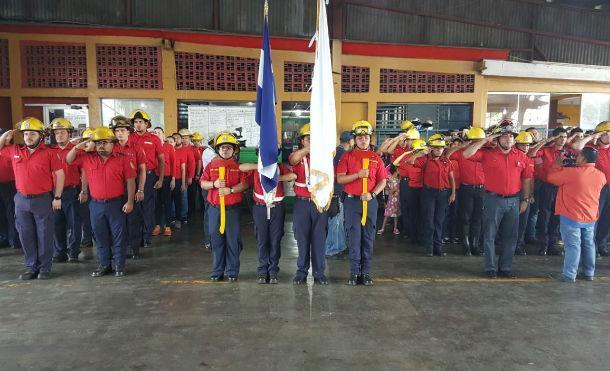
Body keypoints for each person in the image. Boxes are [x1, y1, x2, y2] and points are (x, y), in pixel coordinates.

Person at [463, 122, 533, 278]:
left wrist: (526, 199)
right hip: (493, 199)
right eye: (505, 136)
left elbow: (527, 179)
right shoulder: (488, 153)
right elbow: (466, 154)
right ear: (498, 138)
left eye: (511, 136)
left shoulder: (522, 156)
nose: (508, 139)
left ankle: (505, 268)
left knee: (511, 236)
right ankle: (490, 268)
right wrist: (486, 139)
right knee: (489, 235)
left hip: (514, 200)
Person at [0, 118, 65, 280]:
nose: (28, 137)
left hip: (42, 199)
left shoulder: (49, 152)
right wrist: (3, 138)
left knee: (44, 234)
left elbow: (60, 174)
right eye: (26, 133)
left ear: (41, 136)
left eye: (32, 134)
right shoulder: (14, 150)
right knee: (25, 234)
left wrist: (57, 197)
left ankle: (44, 268)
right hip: (21, 200)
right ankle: (31, 267)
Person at [66, 127, 135, 277]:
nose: (101, 146)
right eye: (97, 143)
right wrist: (80, 145)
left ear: (113, 144)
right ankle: (104, 265)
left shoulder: (123, 158)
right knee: (100, 236)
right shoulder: (87, 158)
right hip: (96, 204)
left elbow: (130, 181)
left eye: (105, 142)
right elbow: (68, 159)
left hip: (116, 204)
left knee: (118, 236)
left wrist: (130, 201)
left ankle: (119, 266)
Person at [337, 121, 388, 285]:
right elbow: (340, 179)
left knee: (368, 238)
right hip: (352, 202)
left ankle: (365, 273)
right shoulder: (347, 156)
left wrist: (373, 194)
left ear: (370, 138)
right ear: (354, 139)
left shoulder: (376, 158)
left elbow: (383, 181)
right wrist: (358, 175)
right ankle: (354, 272)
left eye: (366, 137)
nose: (363, 140)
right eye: (359, 137)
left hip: (370, 202)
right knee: (354, 238)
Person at [547, 147, 606, 282]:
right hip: (590, 215)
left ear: (583, 158)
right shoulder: (600, 175)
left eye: (578, 156)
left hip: (571, 215)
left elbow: (551, 178)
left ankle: (569, 274)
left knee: (572, 245)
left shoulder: (572, 173)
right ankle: (588, 272)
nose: (576, 158)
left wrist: (557, 165)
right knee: (589, 244)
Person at [200, 132, 249, 282]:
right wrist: (213, 184)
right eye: (222, 148)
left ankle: (232, 271)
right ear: (217, 149)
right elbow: (203, 183)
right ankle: (217, 271)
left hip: (232, 210)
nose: (225, 150)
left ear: (234, 150)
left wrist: (231, 190)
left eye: (228, 147)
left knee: (233, 240)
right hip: (215, 209)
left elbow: (245, 184)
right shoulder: (211, 166)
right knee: (216, 240)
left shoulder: (239, 167)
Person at [239, 156, 296, 284]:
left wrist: (276, 177)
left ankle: (273, 270)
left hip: (277, 208)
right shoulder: (256, 166)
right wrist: (260, 167)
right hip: (260, 208)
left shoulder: (279, 167)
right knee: (262, 240)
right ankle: (262, 270)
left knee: (275, 240)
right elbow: (241, 167)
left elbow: (293, 176)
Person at [290, 123, 329, 285]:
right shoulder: (298, 155)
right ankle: (302, 272)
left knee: (319, 239)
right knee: (302, 238)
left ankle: (319, 273)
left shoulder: (324, 156)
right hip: (302, 204)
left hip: (319, 203)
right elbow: (292, 160)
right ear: (302, 141)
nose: (311, 141)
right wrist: (308, 149)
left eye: (314, 138)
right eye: (308, 138)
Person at [528, 127, 576, 256]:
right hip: (546, 186)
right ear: (554, 137)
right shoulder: (546, 151)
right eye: (559, 136)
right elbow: (531, 153)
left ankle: (552, 245)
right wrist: (547, 141)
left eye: (565, 137)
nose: (562, 139)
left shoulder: (569, 152)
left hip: (561, 187)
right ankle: (542, 244)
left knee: (557, 216)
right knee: (544, 215)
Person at [408, 134, 456, 257]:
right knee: (429, 220)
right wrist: (421, 153)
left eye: (441, 148)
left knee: (439, 220)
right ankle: (429, 247)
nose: (439, 150)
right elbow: (410, 161)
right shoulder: (425, 160)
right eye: (436, 148)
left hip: (443, 193)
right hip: (428, 193)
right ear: (431, 148)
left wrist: (453, 193)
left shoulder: (446, 160)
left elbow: (451, 177)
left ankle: (438, 247)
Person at [570, 121, 610, 257]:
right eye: (607, 133)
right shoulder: (592, 149)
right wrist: (594, 135)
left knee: (607, 218)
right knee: (595, 217)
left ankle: (602, 244)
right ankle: (592, 248)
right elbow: (575, 146)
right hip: (598, 189)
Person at [110, 116, 147, 260]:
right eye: (117, 130)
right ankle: (120, 249)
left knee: (133, 221)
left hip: (132, 189)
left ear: (128, 132)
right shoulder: (110, 146)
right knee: (117, 223)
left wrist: (141, 189)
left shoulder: (136, 147)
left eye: (122, 130)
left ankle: (134, 249)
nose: (119, 133)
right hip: (114, 191)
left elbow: (142, 170)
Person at [446, 127, 486, 256]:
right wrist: (460, 146)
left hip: (481, 190)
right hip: (466, 189)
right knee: (465, 218)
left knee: (477, 219)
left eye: (478, 140)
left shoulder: (486, 152)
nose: (476, 142)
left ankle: (475, 245)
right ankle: (466, 245)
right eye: (473, 140)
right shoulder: (461, 152)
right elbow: (447, 156)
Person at [128, 110, 164, 248]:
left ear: (147, 123)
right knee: (134, 207)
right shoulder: (129, 137)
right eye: (136, 122)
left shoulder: (154, 139)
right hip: (132, 177)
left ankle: (146, 236)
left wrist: (160, 179)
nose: (138, 125)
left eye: (140, 122)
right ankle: (135, 236)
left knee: (148, 207)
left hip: (149, 177)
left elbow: (161, 160)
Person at [49, 118, 83, 263]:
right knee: (57, 223)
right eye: (56, 133)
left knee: (74, 223)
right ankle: (59, 252)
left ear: (69, 133)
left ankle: (73, 252)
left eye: (62, 132)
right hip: (54, 192)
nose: (59, 135)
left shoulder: (77, 150)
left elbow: (84, 171)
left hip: (72, 191)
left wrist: (84, 190)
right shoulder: (50, 151)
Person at [382, 121, 420, 240]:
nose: (411, 142)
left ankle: (414, 232)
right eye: (409, 140)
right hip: (403, 181)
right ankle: (407, 232)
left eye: (413, 140)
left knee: (416, 208)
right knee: (405, 208)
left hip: (418, 183)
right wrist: (398, 139)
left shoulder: (420, 149)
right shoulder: (401, 151)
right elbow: (388, 151)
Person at [325, 131, 353, 258]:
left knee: (339, 222)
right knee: (335, 223)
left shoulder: (336, 152)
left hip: (335, 192)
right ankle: (332, 250)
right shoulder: (343, 154)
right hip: (335, 193)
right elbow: (337, 175)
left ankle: (340, 246)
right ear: (350, 141)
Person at [513, 132, 536, 256]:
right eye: (523, 145)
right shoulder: (513, 157)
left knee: (523, 221)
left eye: (528, 145)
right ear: (516, 145)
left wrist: (530, 195)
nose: (526, 148)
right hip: (514, 192)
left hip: (525, 194)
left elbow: (530, 179)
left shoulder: (529, 159)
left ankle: (518, 245)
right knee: (512, 221)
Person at [152, 127, 175, 237]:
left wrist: (173, 178)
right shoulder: (151, 146)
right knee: (156, 203)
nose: (157, 134)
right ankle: (157, 225)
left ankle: (167, 226)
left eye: (159, 132)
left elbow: (173, 163)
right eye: (155, 132)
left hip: (166, 177)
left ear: (163, 135)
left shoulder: (169, 147)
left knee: (167, 202)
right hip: (154, 177)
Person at [0, 130, 20, 251]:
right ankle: (3, 238)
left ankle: (14, 239)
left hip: (10, 185)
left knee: (11, 212)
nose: (7, 138)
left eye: (8, 136)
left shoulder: (13, 148)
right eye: (4, 136)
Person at [200, 135, 217, 249]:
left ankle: (214, 239)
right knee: (209, 213)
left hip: (216, 186)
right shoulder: (208, 152)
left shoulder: (213, 151)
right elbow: (218, 160)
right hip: (208, 185)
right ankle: (208, 240)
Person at [170, 133, 188, 229]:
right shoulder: (165, 152)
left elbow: (183, 169)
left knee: (178, 200)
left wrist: (183, 183)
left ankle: (179, 219)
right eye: (168, 141)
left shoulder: (180, 152)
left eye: (172, 141)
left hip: (178, 180)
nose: (171, 143)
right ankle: (170, 219)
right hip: (167, 180)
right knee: (169, 201)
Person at [377, 165, 400, 235]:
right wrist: (390, 190)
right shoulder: (389, 178)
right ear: (395, 170)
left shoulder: (399, 178)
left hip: (398, 197)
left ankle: (395, 228)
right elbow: (385, 186)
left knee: (396, 214)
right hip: (391, 197)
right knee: (387, 213)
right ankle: (383, 228)